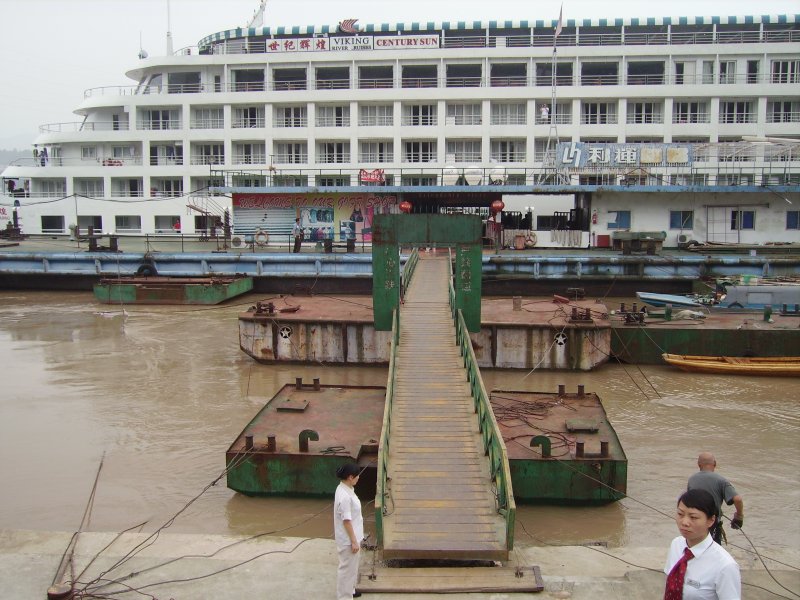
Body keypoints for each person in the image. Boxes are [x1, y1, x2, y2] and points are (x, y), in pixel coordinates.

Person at [664, 489, 741, 600]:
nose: (684, 522)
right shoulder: (676, 544)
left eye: (693, 517)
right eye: (680, 514)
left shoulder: (725, 566)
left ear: (711, 520)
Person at [687, 452, 744, 544]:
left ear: (698, 464)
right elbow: (738, 499)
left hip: (693, 524)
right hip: (711, 524)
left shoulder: (691, 480)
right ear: (715, 464)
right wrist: (739, 517)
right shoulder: (721, 480)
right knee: (713, 552)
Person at [334, 463, 363, 600]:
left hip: (354, 535)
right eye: (357, 476)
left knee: (352, 567)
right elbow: (346, 521)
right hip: (348, 540)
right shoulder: (344, 496)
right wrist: (353, 541)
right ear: (350, 477)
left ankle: (350, 590)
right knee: (346, 569)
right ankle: (344, 597)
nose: (359, 478)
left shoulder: (345, 488)